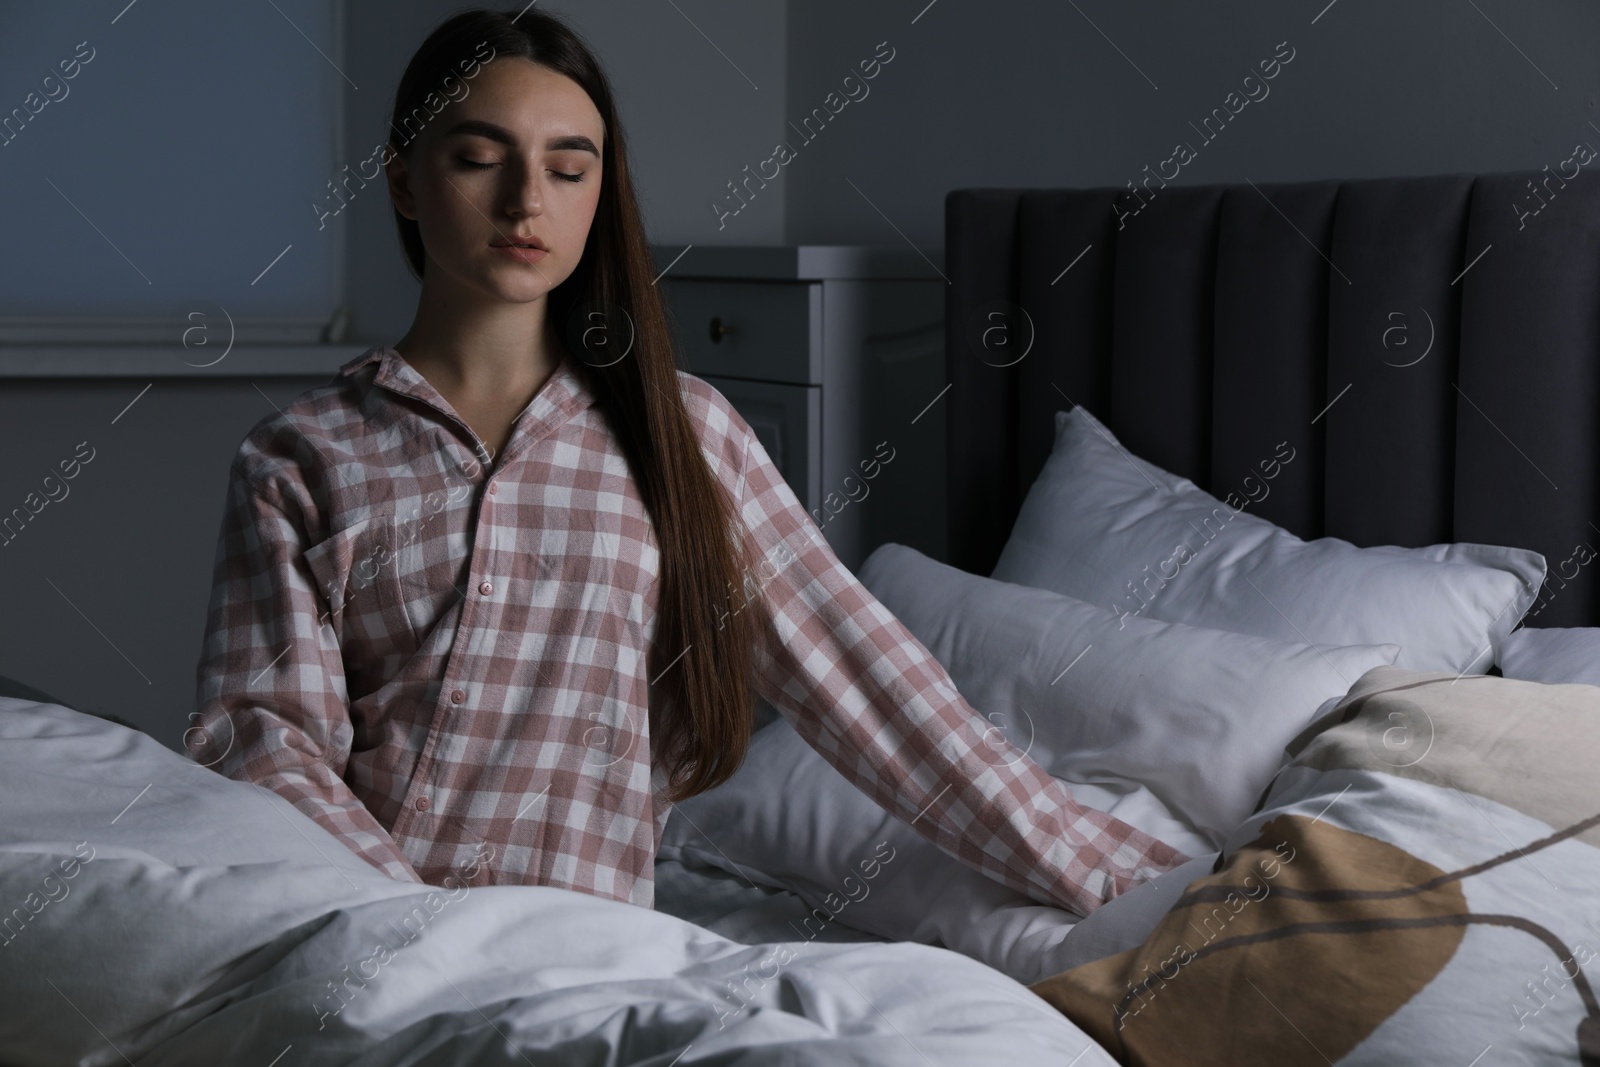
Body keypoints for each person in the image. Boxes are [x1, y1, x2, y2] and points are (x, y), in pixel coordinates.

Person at [188, 7, 1186, 916]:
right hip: (352, 948)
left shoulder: (686, 434)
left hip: (586, 963)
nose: (526, 198)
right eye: (479, 158)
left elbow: (869, 683)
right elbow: (265, 741)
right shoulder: (302, 454)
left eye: (568, 169)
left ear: (598, 194)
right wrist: (417, 930)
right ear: (404, 177)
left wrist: (1130, 878)